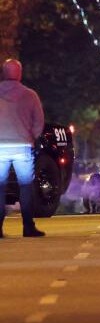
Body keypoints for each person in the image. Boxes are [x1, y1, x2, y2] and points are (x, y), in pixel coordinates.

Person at [0, 60, 46, 237]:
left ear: (4, 73)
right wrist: (31, 137)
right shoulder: (30, 95)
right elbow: (39, 121)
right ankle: (28, 226)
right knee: (26, 186)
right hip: (22, 145)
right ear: (19, 73)